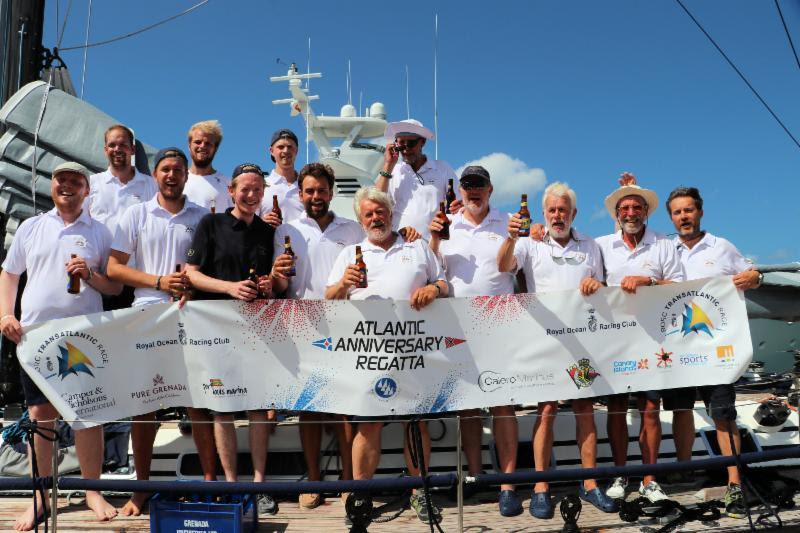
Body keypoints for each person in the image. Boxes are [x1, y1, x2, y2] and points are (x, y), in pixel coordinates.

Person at [0, 162, 122, 530]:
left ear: (87, 190)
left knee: (88, 414)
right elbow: (9, 273)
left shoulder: (101, 232)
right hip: (34, 336)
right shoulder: (31, 227)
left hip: (82, 334)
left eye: (75, 181)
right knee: (40, 417)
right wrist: (6, 314)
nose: (67, 186)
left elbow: (115, 288)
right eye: (61, 180)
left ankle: (92, 491)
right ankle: (41, 497)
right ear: (52, 186)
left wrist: (91, 275)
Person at [325, 186, 448, 524]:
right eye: (368, 213)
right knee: (368, 422)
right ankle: (361, 494)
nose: (375, 217)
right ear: (361, 219)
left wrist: (432, 289)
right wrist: (343, 286)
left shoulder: (417, 245)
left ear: (391, 213)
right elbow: (329, 299)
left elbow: (444, 283)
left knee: (416, 421)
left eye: (380, 211)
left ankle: (419, 492)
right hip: (368, 352)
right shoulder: (351, 253)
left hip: (413, 348)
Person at [498, 182, 618, 517]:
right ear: (544, 214)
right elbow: (504, 267)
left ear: (573, 213)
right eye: (551, 210)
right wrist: (511, 237)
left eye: (562, 210)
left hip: (583, 341)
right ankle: (540, 486)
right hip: (546, 341)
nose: (557, 215)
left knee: (585, 409)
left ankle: (590, 483)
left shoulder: (591, 245)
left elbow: (604, 286)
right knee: (547, 410)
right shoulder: (529, 243)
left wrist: (599, 284)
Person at [106, 148, 211, 516]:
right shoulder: (135, 214)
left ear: (186, 175)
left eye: (177, 170)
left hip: (191, 313)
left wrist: (190, 288)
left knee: (197, 400)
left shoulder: (202, 216)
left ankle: (211, 483)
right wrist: (160, 280)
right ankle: (142, 488)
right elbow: (114, 268)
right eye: (165, 169)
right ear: (155, 176)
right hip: (146, 311)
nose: (171, 175)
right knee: (144, 403)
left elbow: (207, 267)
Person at [428, 165, 522, 517]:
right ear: (460, 191)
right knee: (467, 406)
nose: (473, 190)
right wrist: (435, 238)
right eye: (467, 185)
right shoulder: (447, 223)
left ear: (490, 188)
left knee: (503, 403)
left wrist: (532, 231)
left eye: (479, 184)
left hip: (501, 322)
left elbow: (517, 263)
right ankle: (477, 477)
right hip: (458, 324)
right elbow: (431, 267)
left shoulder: (509, 221)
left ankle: (508, 484)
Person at [185, 163, 278, 515]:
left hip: (256, 329)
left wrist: (269, 286)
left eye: (257, 189)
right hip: (214, 327)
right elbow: (192, 274)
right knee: (221, 407)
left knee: (257, 407)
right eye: (245, 189)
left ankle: (258, 486)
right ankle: (229, 484)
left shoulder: (268, 232)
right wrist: (229, 288)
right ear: (232, 191)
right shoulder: (210, 224)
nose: (251, 195)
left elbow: (272, 283)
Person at [271, 162, 364, 510]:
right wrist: (276, 276)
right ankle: (313, 479)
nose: (315, 197)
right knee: (309, 407)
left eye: (321, 191)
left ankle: (348, 479)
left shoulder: (352, 229)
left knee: (343, 407)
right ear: (300, 194)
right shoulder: (285, 231)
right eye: (309, 191)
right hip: (301, 322)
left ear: (331, 192)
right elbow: (280, 285)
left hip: (344, 323)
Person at [666, 185, 760, 518]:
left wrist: (754, 276)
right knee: (679, 410)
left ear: (700, 212)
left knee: (722, 413)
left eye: (688, 210)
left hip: (716, 348)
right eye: (677, 212)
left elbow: (752, 273)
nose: (683, 217)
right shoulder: (664, 249)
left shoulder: (722, 246)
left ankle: (735, 483)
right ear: (671, 217)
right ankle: (682, 470)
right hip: (676, 348)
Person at [595, 172, 685, 502]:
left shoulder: (664, 244)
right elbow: (589, 282)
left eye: (637, 207)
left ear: (646, 212)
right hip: (614, 339)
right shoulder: (601, 245)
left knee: (650, 407)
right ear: (617, 214)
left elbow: (678, 287)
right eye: (625, 208)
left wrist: (648, 282)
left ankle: (650, 479)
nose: (630, 212)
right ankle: (620, 475)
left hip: (653, 338)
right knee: (617, 407)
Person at [88, 124, 157, 310]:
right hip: (99, 279)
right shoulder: (91, 185)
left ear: (132, 149)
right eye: (112, 145)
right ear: (105, 150)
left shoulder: (152, 186)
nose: (117, 149)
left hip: (138, 280)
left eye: (123, 144)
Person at [375, 119, 459, 239]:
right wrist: (388, 165)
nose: (406, 148)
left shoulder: (443, 169)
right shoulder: (391, 172)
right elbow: (376, 201)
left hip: (435, 244)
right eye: (401, 144)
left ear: (422, 142)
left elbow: (457, 205)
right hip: (400, 244)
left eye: (411, 143)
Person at [184, 120, 233, 212]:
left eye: (208, 143)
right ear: (189, 145)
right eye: (198, 142)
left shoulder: (228, 184)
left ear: (215, 148)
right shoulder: (178, 181)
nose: (202, 146)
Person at [260, 128, 304, 225]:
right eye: (280, 147)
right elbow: (248, 221)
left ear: (296, 150)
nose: (286, 150)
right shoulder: (261, 186)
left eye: (290, 147)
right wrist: (260, 223)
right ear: (271, 151)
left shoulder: (307, 187)